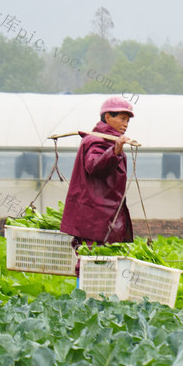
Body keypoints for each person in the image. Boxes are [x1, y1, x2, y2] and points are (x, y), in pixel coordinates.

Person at [60, 97, 137, 253]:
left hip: (105, 218)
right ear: (108, 117)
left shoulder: (111, 142)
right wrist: (114, 152)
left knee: (101, 265)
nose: (126, 124)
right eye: (122, 119)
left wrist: (116, 149)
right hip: (93, 219)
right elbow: (94, 166)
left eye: (128, 120)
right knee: (90, 260)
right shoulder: (94, 141)